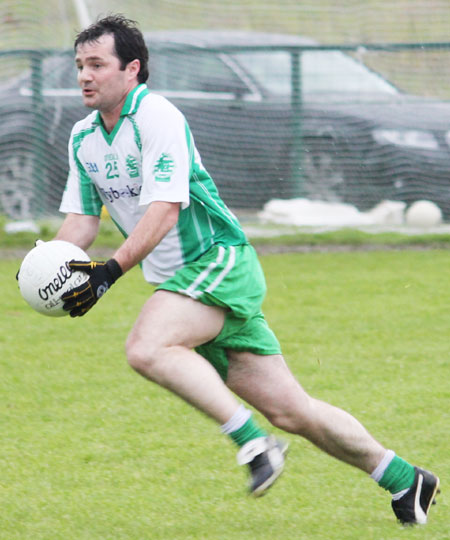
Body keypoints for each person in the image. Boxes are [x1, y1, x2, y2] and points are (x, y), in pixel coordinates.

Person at [55, 14, 439, 524]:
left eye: (97, 64)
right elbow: (80, 224)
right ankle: (403, 478)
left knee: (146, 347)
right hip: (183, 287)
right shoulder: (83, 138)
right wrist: (50, 266)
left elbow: (165, 211)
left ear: (132, 69)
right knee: (292, 410)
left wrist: (108, 272)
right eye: (80, 65)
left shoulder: (156, 117)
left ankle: (254, 444)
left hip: (219, 262)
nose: (84, 75)